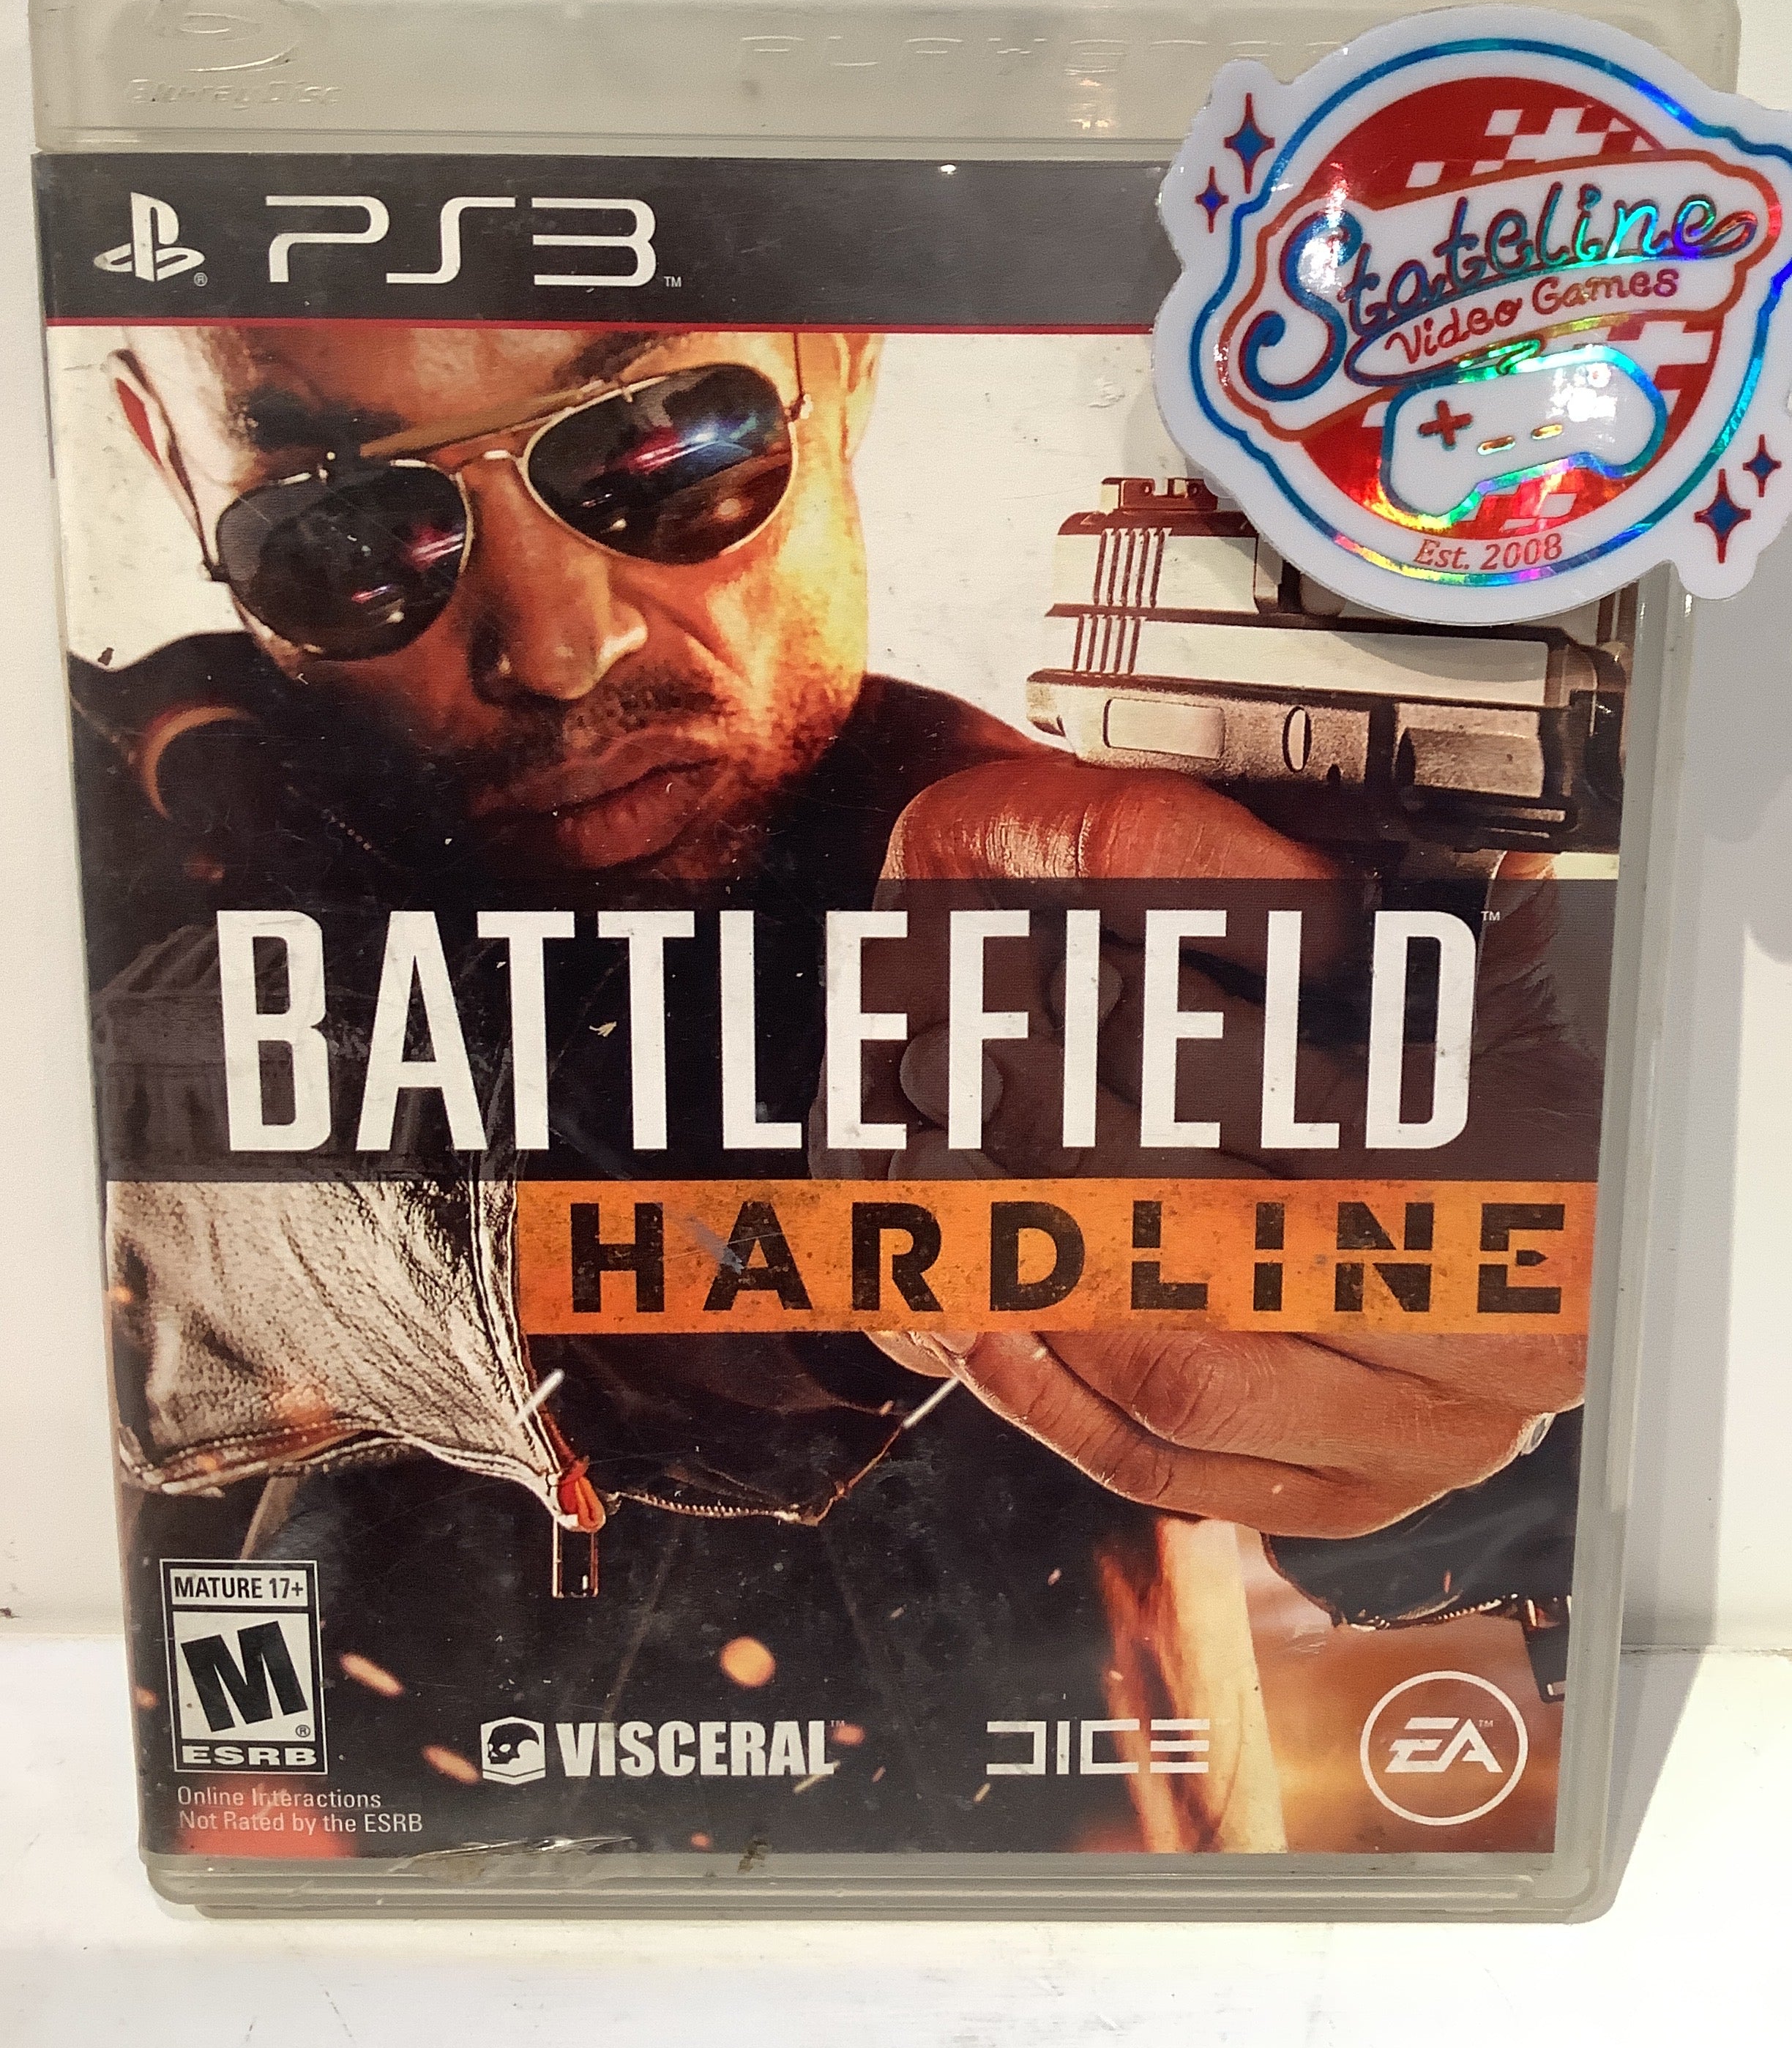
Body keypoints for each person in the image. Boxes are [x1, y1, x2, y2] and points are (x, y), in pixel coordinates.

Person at [78, 321, 1588, 1853]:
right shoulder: (110, 843)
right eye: (348, 525)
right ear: (168, 462)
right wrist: (872, 1179)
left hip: (1101, 1930)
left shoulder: (1116, 847)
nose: (558, 649)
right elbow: (205, 1174)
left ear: (847, 358)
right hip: (362, 1911)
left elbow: (1456, 1514)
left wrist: (1504, 1375)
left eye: (663, 446)